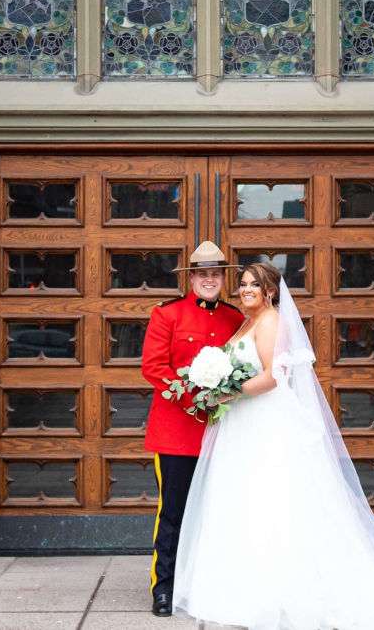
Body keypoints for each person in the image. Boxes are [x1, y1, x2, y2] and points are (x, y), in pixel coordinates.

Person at [174, 262, 374, 630]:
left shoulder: (270, 321)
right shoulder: (247, 321)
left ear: (271, 292)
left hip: (265, 421)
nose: (246, 290)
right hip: (243, 422)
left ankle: (280, 590)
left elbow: (273, 377)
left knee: (270, 498)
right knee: (244, 497)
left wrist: (227, 391)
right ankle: (242, 584)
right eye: (244, 284)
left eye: (254, 285)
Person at [141, 240, 245, 618]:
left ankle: (208, 584)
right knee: (174, 513)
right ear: (192, 278)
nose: (209, 280)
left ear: (223, 279)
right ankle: (164, 589)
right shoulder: (166, 314)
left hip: (224, 433)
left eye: (215, 274)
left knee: (218, 512)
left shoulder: (235, 318)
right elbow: (154, 367)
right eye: (202, 274)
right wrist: (193, 401)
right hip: (176, 432)